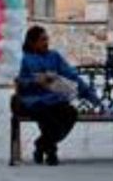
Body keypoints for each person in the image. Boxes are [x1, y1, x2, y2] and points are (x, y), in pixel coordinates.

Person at [16, 25, 97, 166]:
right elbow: (19, 81)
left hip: (54, 99)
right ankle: (51, 151)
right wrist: (35, 80)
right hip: (32, 101)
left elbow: (71, 75)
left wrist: (89, 94)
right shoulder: (24, 59)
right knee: (48, 116)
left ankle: (41, 144)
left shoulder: (54, 56)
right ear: (32, 42)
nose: (46, 43)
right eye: (42, 40)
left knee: (70, 113)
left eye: (47, 39)